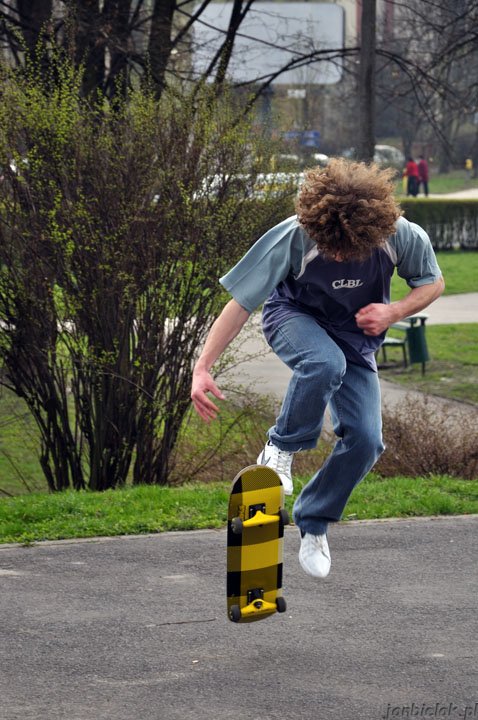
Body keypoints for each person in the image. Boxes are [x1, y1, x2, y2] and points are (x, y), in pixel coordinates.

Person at [191, 158, 444, 580]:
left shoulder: (401, 234)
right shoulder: (294, 235)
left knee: (366, 441)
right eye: (332, 248)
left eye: (349, 249)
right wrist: (202, 367)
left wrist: (394, 311)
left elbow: (433, 282)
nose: (340, 255)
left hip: (354, 337)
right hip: (294, 319)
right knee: (324, 363)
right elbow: (240, 304)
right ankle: (280, 449)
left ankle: (314, 521)